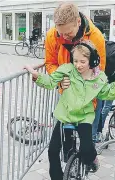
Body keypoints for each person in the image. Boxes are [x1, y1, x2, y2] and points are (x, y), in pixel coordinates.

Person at [25, 41, 115, 180]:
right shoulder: (67, 70)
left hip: (84, 117)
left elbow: (108, 93)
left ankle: (91, 160)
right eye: (75, 61)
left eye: (82, 62)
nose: (78, 65)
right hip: (65, 116)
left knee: (86, 148)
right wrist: (36, 76)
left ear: (92, 61)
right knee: (52, 150)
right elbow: (51, 82)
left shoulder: (99, 78)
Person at [44, 2, 106, 143]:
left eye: (69, 33)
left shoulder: (96, 37)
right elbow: (51, 63)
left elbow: (98, 70)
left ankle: (89, 159)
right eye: (61, 33)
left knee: (88, 138)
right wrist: (60, 79)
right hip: (67, 93)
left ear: (78, 22)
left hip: (90, 93)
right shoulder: (52, 36)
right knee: (67, 136)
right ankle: (69, 159)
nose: (65, 37)